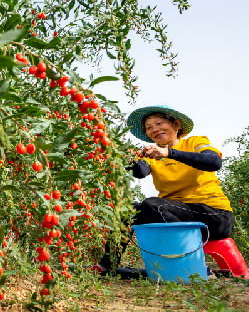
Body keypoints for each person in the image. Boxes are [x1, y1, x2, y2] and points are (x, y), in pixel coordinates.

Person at [96, 105, 234, 273]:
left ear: (176, 125)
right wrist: (122, 160)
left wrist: (169, 153)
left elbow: (213, 162)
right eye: (149, 128)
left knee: (152, 204)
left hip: (214, 217)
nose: (155, 129)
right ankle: (106, 266)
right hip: (176, 217)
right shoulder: (153, 156)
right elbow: (140, 171)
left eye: (159, 123)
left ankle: (193, 264)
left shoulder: (194, 143)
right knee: (129, 210)